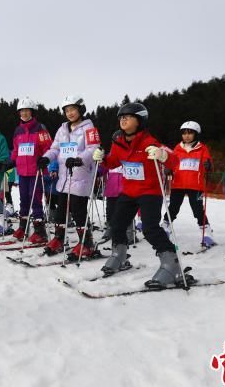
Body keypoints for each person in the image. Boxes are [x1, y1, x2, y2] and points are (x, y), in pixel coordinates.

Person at [93, 102, 184, 289]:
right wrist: (102, 158)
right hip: (129, 191)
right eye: (121, 117)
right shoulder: (118, 142)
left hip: (150, 191)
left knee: (150, 228)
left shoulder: (150, 142)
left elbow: (174, 159)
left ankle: (171, 263)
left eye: (128, 116)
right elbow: (112, 162)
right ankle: (119, 255)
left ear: (140, 120)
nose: (123, 120)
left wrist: (162, 156)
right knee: (116, 224)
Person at [40, 95, 100, 258]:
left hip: (80, 175)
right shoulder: (62, 129)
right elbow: (55, 148)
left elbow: (93, 149)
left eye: (73, 109)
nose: (70, 113)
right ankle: (59, 238)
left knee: (78, 210)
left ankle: (86, 242)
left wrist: (79, 160)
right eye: (67, 110)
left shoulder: (89, 128)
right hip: (64, 178)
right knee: (61, 211)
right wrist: (47, 157)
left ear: (80, 109)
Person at [162, 121, 215, 247]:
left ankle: (206, 232)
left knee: (197, 209)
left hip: (195, 185)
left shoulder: (202, 148)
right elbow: (172, 162)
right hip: (178, 184)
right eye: (184, 133)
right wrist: (168, 168)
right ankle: (165, 227)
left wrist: (208, 165)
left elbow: (209, 164)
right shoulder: (178, 148)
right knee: (173, 207)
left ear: (196, 134)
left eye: (190, 133)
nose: (186, 136)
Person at [7, 97, 52, 244]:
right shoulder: (17, 130)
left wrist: (44, 158)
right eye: (22, 111)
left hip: (36, 171)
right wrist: (11, 162)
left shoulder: (40, 128)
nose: (24, 113)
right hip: (22, 172)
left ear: (32, 112)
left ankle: (40, 231)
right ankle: (23, 227)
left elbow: (48, 147)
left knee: (36, 200)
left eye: (27, 111)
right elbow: (16, 150)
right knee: (24, 200)